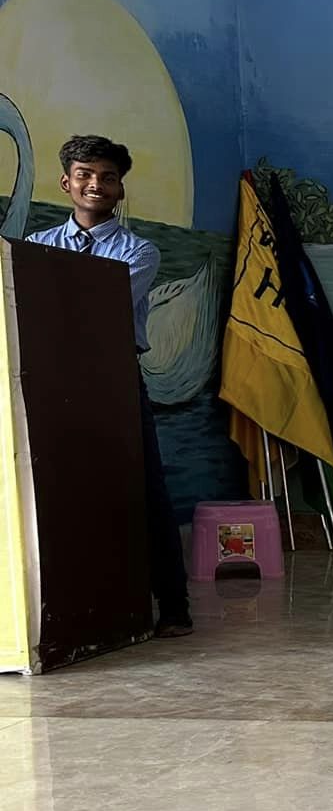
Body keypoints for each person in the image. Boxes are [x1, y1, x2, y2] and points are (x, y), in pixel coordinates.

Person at [27, 135, 191, 637]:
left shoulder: (139, 251)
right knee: (53, 484)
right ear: (66, 182)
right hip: (51, 376)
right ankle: (65, 607)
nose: (95, 184)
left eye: (107, 177)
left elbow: (97, 305)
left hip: (116, 375)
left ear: (120, 189)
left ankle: (174, 605)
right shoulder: (36, 246)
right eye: (84, 175)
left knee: (146, 486)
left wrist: (49, 303)